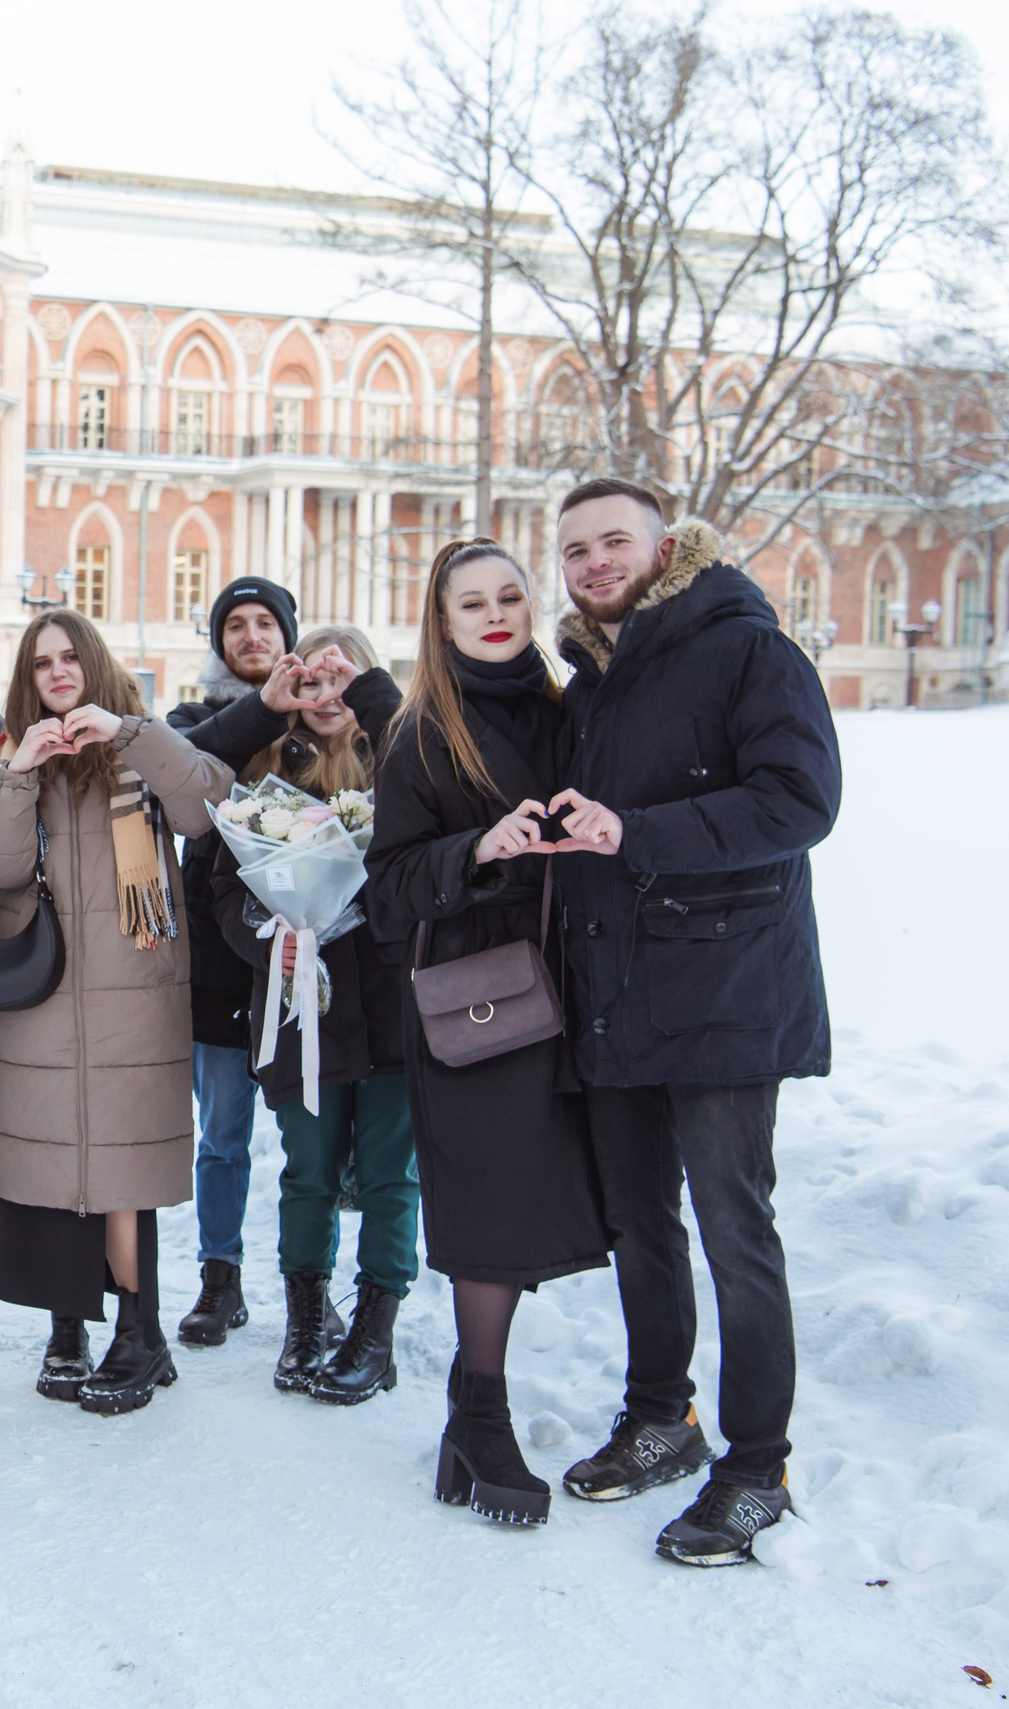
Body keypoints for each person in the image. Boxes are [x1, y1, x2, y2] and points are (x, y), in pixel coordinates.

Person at [544, 480, 841, 1567]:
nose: (591, 562)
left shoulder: (748, 649)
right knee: (639, 1221)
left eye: (612, 540)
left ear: (666, 545)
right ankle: (660, 1415)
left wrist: (634, 829)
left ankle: (756, 1464)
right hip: (619, 991)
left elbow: (800, 801)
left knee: (733, 1229)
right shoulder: (591, 683)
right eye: (573, 549)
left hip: (726, 989)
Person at [365, 540, 611, 1526]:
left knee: (565, 1201)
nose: (496, 613)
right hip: (480, 998)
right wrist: (479, 845)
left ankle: (500, 1416)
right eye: (473, 602)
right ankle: (483, 1412)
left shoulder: (572, 709)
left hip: (582, 988)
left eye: (510, 594)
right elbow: (387, 889)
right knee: (490, 1217)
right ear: (444, 619)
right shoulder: (424, 733)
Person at [0, 609, 235, 1416]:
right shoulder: (12, 754)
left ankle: (138, 1330)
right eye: (42, 662)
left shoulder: (146, 740)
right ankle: (67, 1325)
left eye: (70, 658)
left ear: (94, 664)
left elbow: (203, 808)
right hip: (39, 987)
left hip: (135, 988)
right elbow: (0, 864)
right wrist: (20, 768)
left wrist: (125, 731)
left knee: (122, 1166)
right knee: (54, 1159)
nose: (57, 672)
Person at [166, 579, 401, 1348]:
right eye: (235, 623)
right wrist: (275, 932)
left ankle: (361, 1313)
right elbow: (228, 862)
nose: (251, 633)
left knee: (378, 1168)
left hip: (377, 999)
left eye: (267, 621)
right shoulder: (256, 757)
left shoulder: (394, 764)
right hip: (268, 984)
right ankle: (233, 1279)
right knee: (250, 1140)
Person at [210, 625, 420, 1404]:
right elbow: (227, 892)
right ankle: (306, 1318)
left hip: (396, 1005)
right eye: (313, 682)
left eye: (344, 680)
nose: (327, 698)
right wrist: (273, 939)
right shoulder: (262, 775)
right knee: (308, 1170)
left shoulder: (406, 762)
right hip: (304, 1009)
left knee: (394, 1174)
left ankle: (376, 1326)